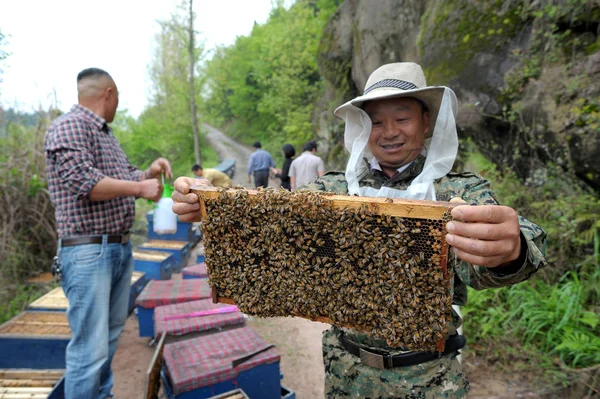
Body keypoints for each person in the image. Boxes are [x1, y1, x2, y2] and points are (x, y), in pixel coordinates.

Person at [170, 62, 547, 398]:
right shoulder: (332, 190)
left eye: (402, 118)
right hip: (344, 371)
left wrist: (511, 250)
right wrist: (210, 205)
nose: (389, 132)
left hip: (427, 378)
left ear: (426, 121)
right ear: (362, 126)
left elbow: (503, 255)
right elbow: (270, 225)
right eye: (376, 121)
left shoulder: (459, 192)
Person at [44, 67, 172, 399]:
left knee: (109, 339)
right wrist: (139, 186)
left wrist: (149, 172)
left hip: (116, 248)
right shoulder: (69, 126)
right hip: (88, 251)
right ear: (108, 93)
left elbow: (127, 176)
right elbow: (85, 183)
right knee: (89, 349)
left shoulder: (105, 134)